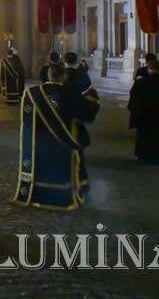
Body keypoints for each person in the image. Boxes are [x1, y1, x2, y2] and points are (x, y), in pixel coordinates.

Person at [12, 63, 100, 210]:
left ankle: (38, 194)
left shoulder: (32, 94)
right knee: (62, 170)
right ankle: (61, 196)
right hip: (64, 143)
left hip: (39, 144)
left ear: (48, 75)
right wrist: (93, 98)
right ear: (64, 76)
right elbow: (87, 116)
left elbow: (28, 122)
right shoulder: (72, 94)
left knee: (42, 169)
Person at [127, 59, 159, 165]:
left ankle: (142, 156)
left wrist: (134, 113)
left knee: (143, 137)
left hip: (144, 117)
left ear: (149, 69)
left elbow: (133, 100)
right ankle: (158, 157)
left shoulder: (141, 83)